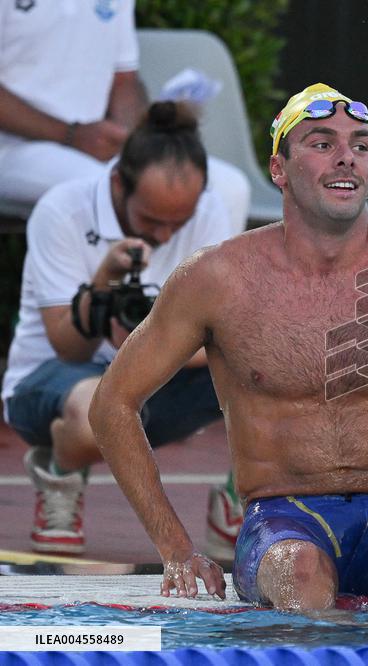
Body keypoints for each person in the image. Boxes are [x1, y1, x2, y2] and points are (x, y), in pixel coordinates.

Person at [88, 83, 368, 618]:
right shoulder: (217, 278)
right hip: (283, 524)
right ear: (279, 169)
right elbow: (112, 403)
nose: (347, 156)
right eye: (323, 144)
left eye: (360, 145)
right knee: (300, 574)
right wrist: (176, 548)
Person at [2, 101, 240, 557]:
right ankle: (61, 470)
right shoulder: (63, 210)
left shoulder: (208, 211)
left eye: (179, 223)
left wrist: (149, 344)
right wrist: (103, 282)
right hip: (57, 381)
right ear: (117, 184)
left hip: (161, 376)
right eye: (151, 220)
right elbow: (68, 347)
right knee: (97, 412)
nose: (165, 235)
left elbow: (221, 337)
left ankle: (240, 499)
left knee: (273, 370)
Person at [0, 0, 250, 237]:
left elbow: (124, 80)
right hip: (13, 149)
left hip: (94, 147)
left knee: (230, 188)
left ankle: (193, 272)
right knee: (112, 190)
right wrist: (71, 135)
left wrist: (135, 140)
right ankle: (127, 270)